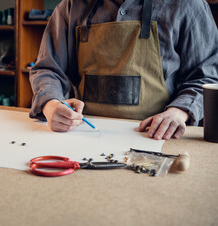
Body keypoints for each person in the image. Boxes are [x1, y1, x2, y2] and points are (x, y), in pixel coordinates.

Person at [29, 0, 218, 140]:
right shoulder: (72, 6)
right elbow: (48, 68)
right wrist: (51, 104)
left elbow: (208, 76)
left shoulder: (187, 5)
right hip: (83, 136)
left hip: (156, 139)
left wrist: (179, 112)